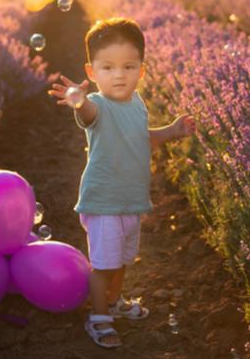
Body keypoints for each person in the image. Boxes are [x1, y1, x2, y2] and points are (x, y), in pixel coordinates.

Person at [48, 17, 195, 348]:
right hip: (104, 202)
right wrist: (77, 99)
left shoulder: (137, 103)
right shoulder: (98, 105)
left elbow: (141, 138)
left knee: (122, 260)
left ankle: (114, 301)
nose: (119, 75)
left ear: (141, 71)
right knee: (103, 265)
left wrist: (172, 130)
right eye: (108, 67)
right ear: (91, 72)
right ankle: (98, 318)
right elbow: (87, 114)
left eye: (129, 67)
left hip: (130, 200)